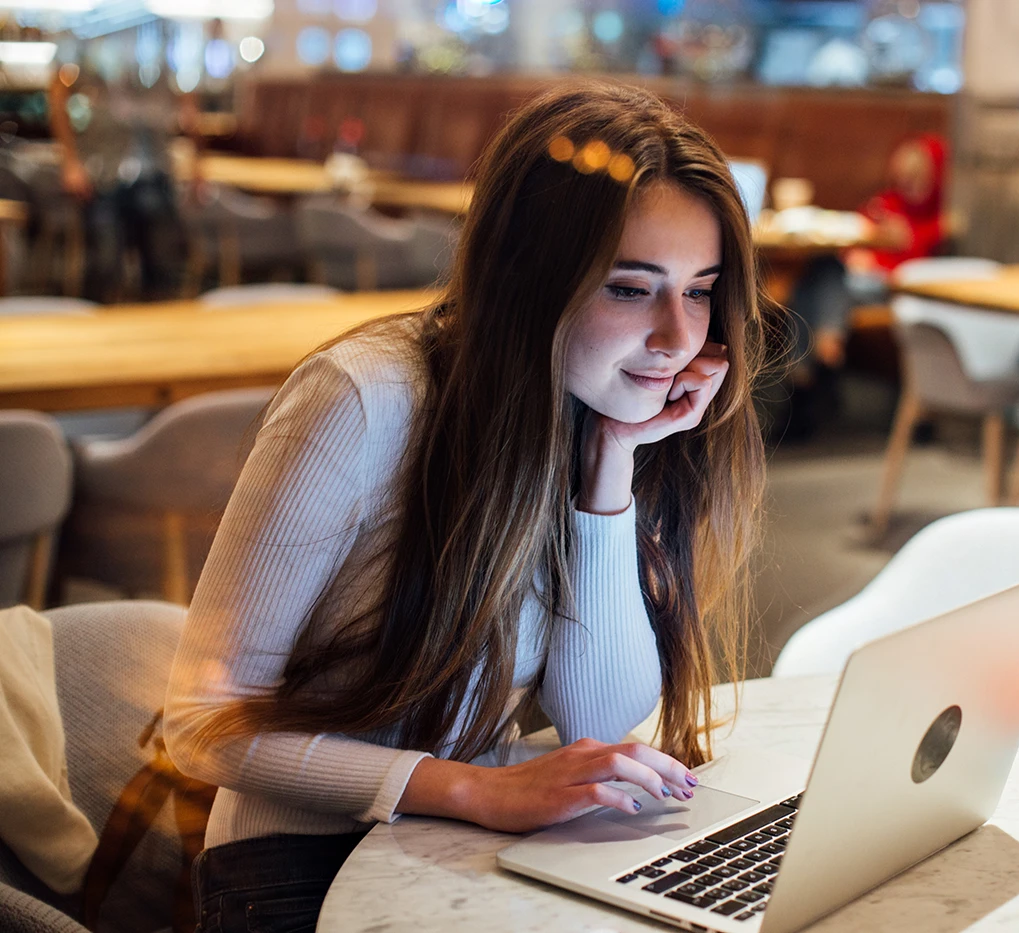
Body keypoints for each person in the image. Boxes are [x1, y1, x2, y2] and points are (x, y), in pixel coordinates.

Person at [163, 83, 774, 931]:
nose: (678, 338)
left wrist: (612, 461)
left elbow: (599, 717)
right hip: (297, 871)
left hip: (468, 842)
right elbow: (199, 727)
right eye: (631, 290)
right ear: (528, 280)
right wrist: (477, 788)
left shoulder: (590, 406)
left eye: (700, 290)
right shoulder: (367, 398)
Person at [781, 134, 949, 439]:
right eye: (904, 177)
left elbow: (916, 261)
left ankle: (803, 381)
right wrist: (862, 255)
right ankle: (825, 347)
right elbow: (855, 231)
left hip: (893, 290)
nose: (909, 185)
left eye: (918, 178)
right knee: (817, 279)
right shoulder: (886, 202)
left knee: (816, 282)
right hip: (855, 283)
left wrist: (881, 261)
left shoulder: (937, 218)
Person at [49, 64, 199, 301]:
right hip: (103, 174)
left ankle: (161, 329)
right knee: (105, 263)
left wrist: (196, 164)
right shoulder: (94, 51)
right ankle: (102, 327)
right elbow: (57, 92)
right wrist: (70, 161)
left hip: (155, 174)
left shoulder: (159, 53)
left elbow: (188, 100)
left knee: (165, 264)